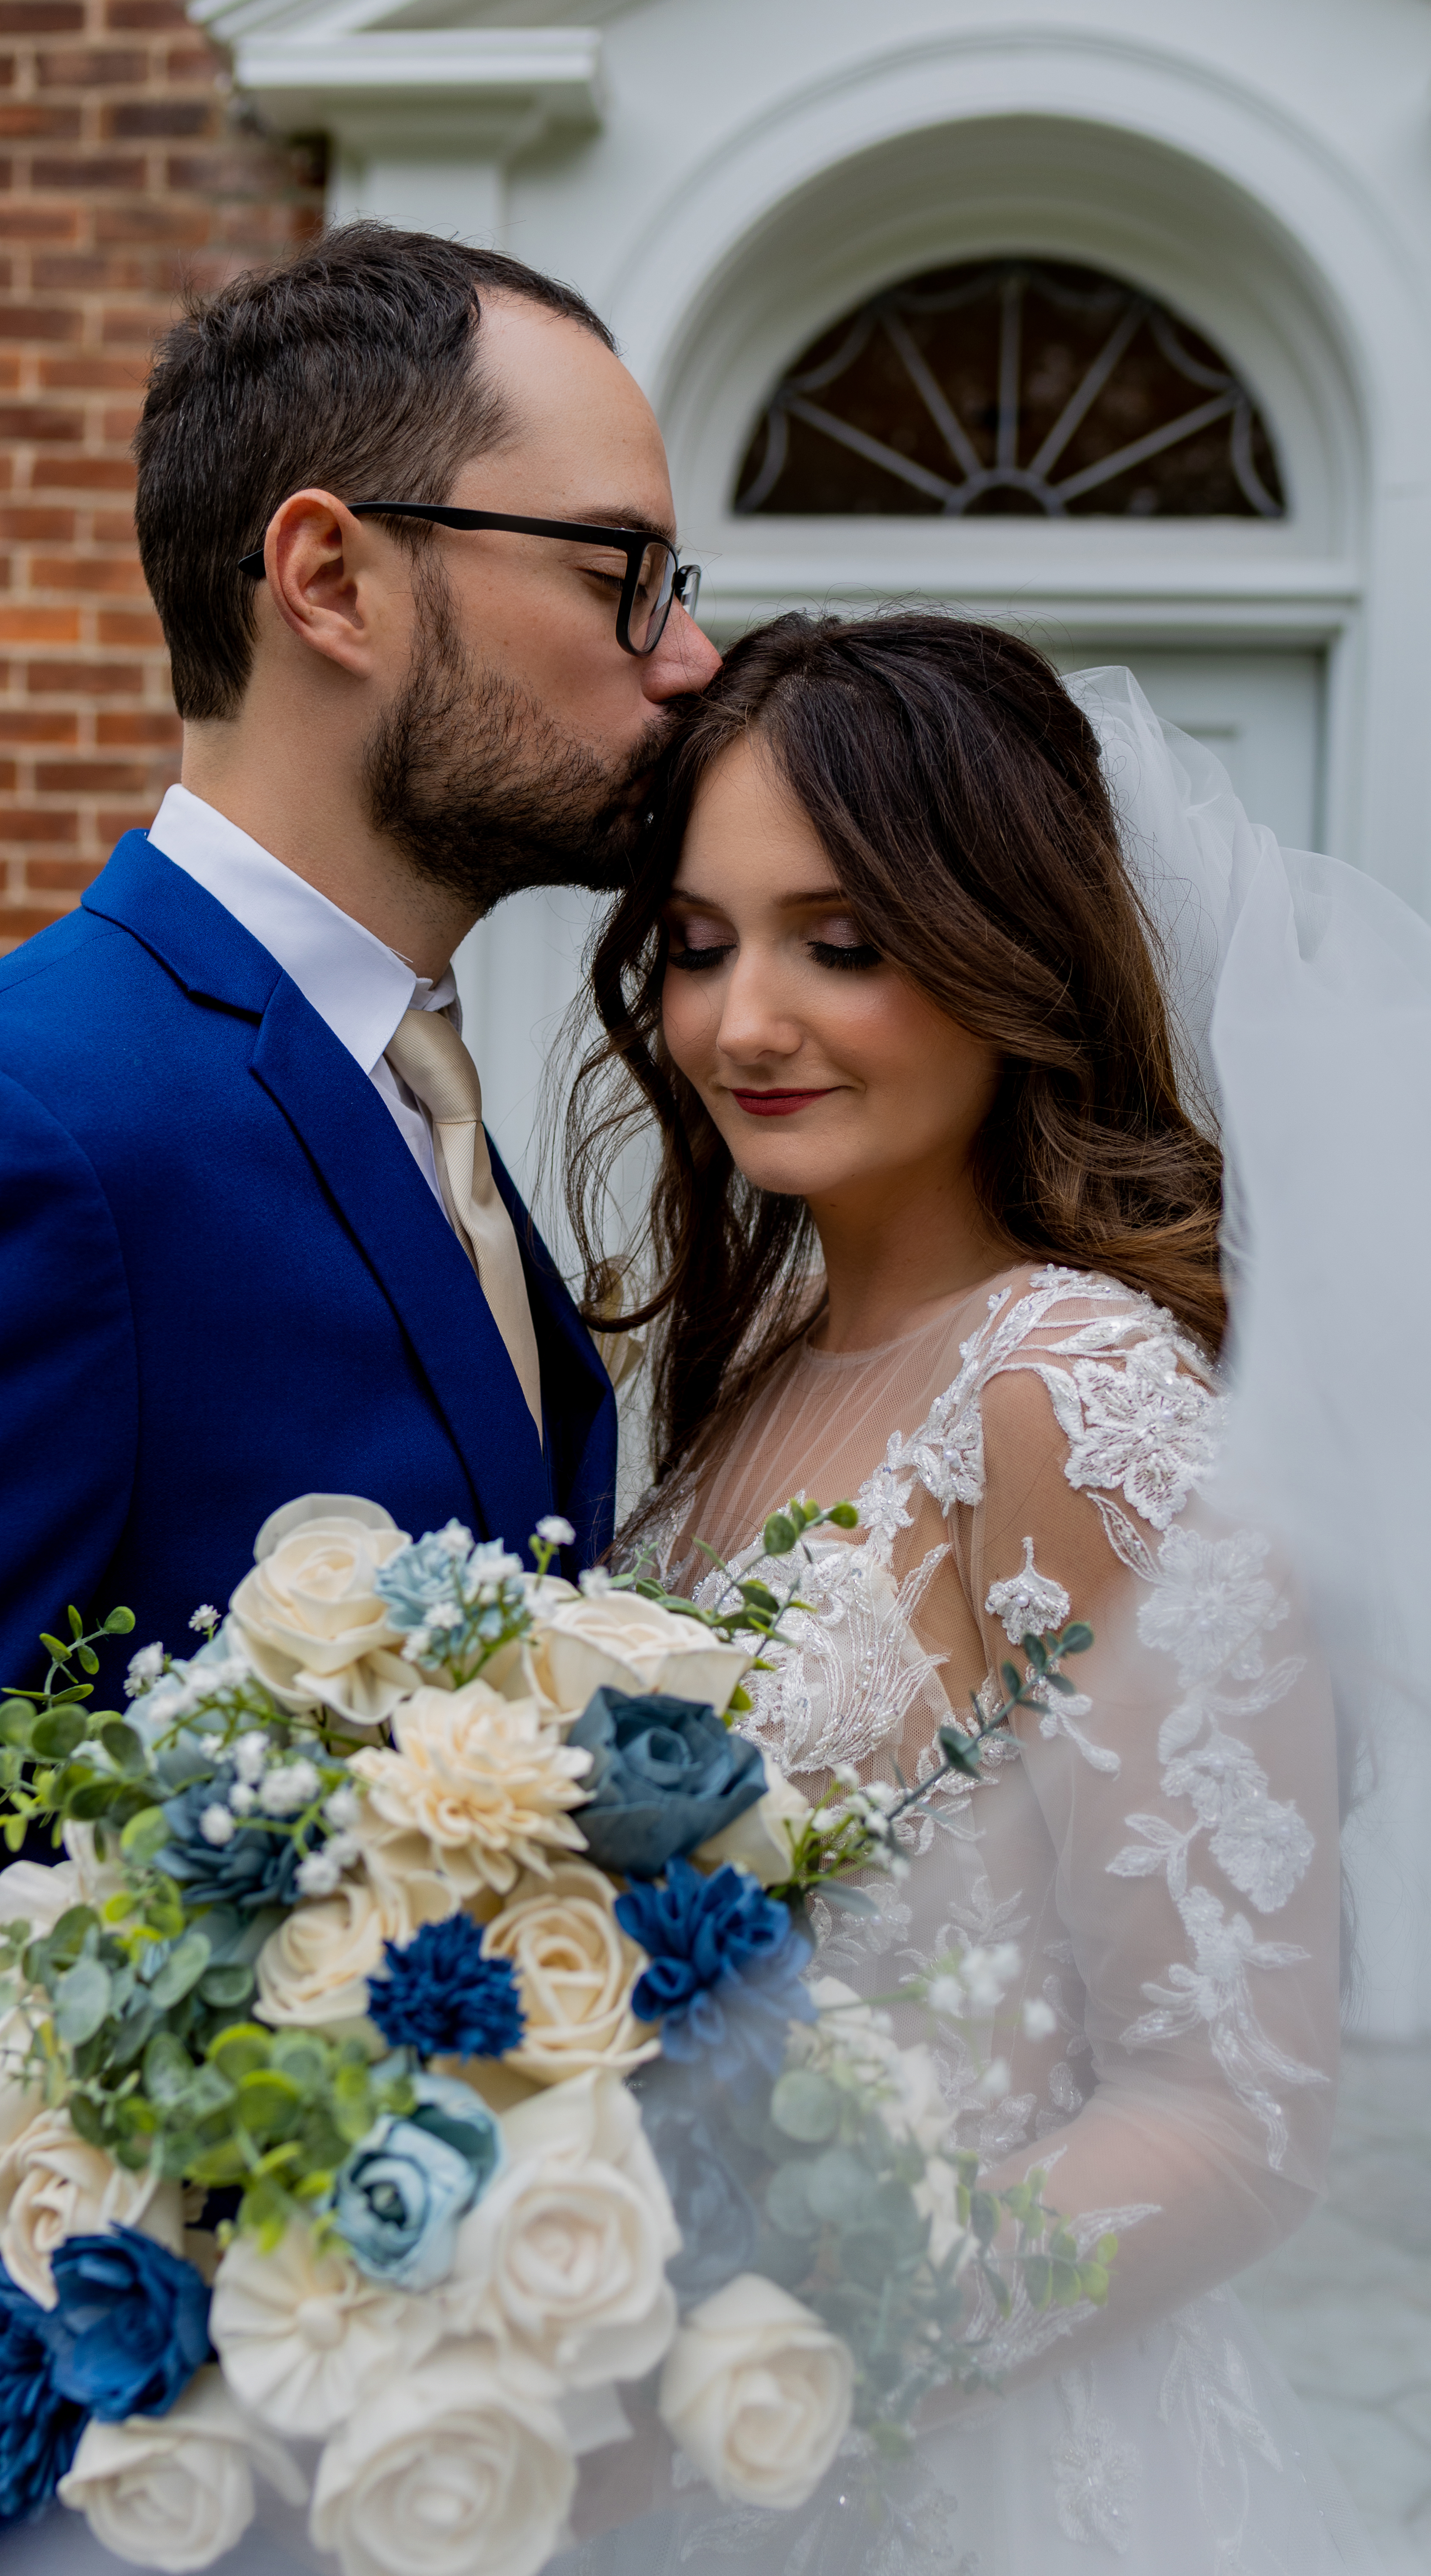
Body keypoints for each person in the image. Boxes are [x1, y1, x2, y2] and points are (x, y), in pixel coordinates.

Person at [0, 223, 717, 2576]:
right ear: (331, 576)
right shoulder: (11, 1128)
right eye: (620, 572)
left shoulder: (439, 1102)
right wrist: (143, 2303)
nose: (683, 662)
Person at [564, 612, 1387, 2570]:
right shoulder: (748, 1380)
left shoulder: (1066, 1393)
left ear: (1003, 952)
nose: (742, 1020)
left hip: (954, 2464)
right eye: (697, 944)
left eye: (838, 943)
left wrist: (774, 2364)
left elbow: (1228, 2109)